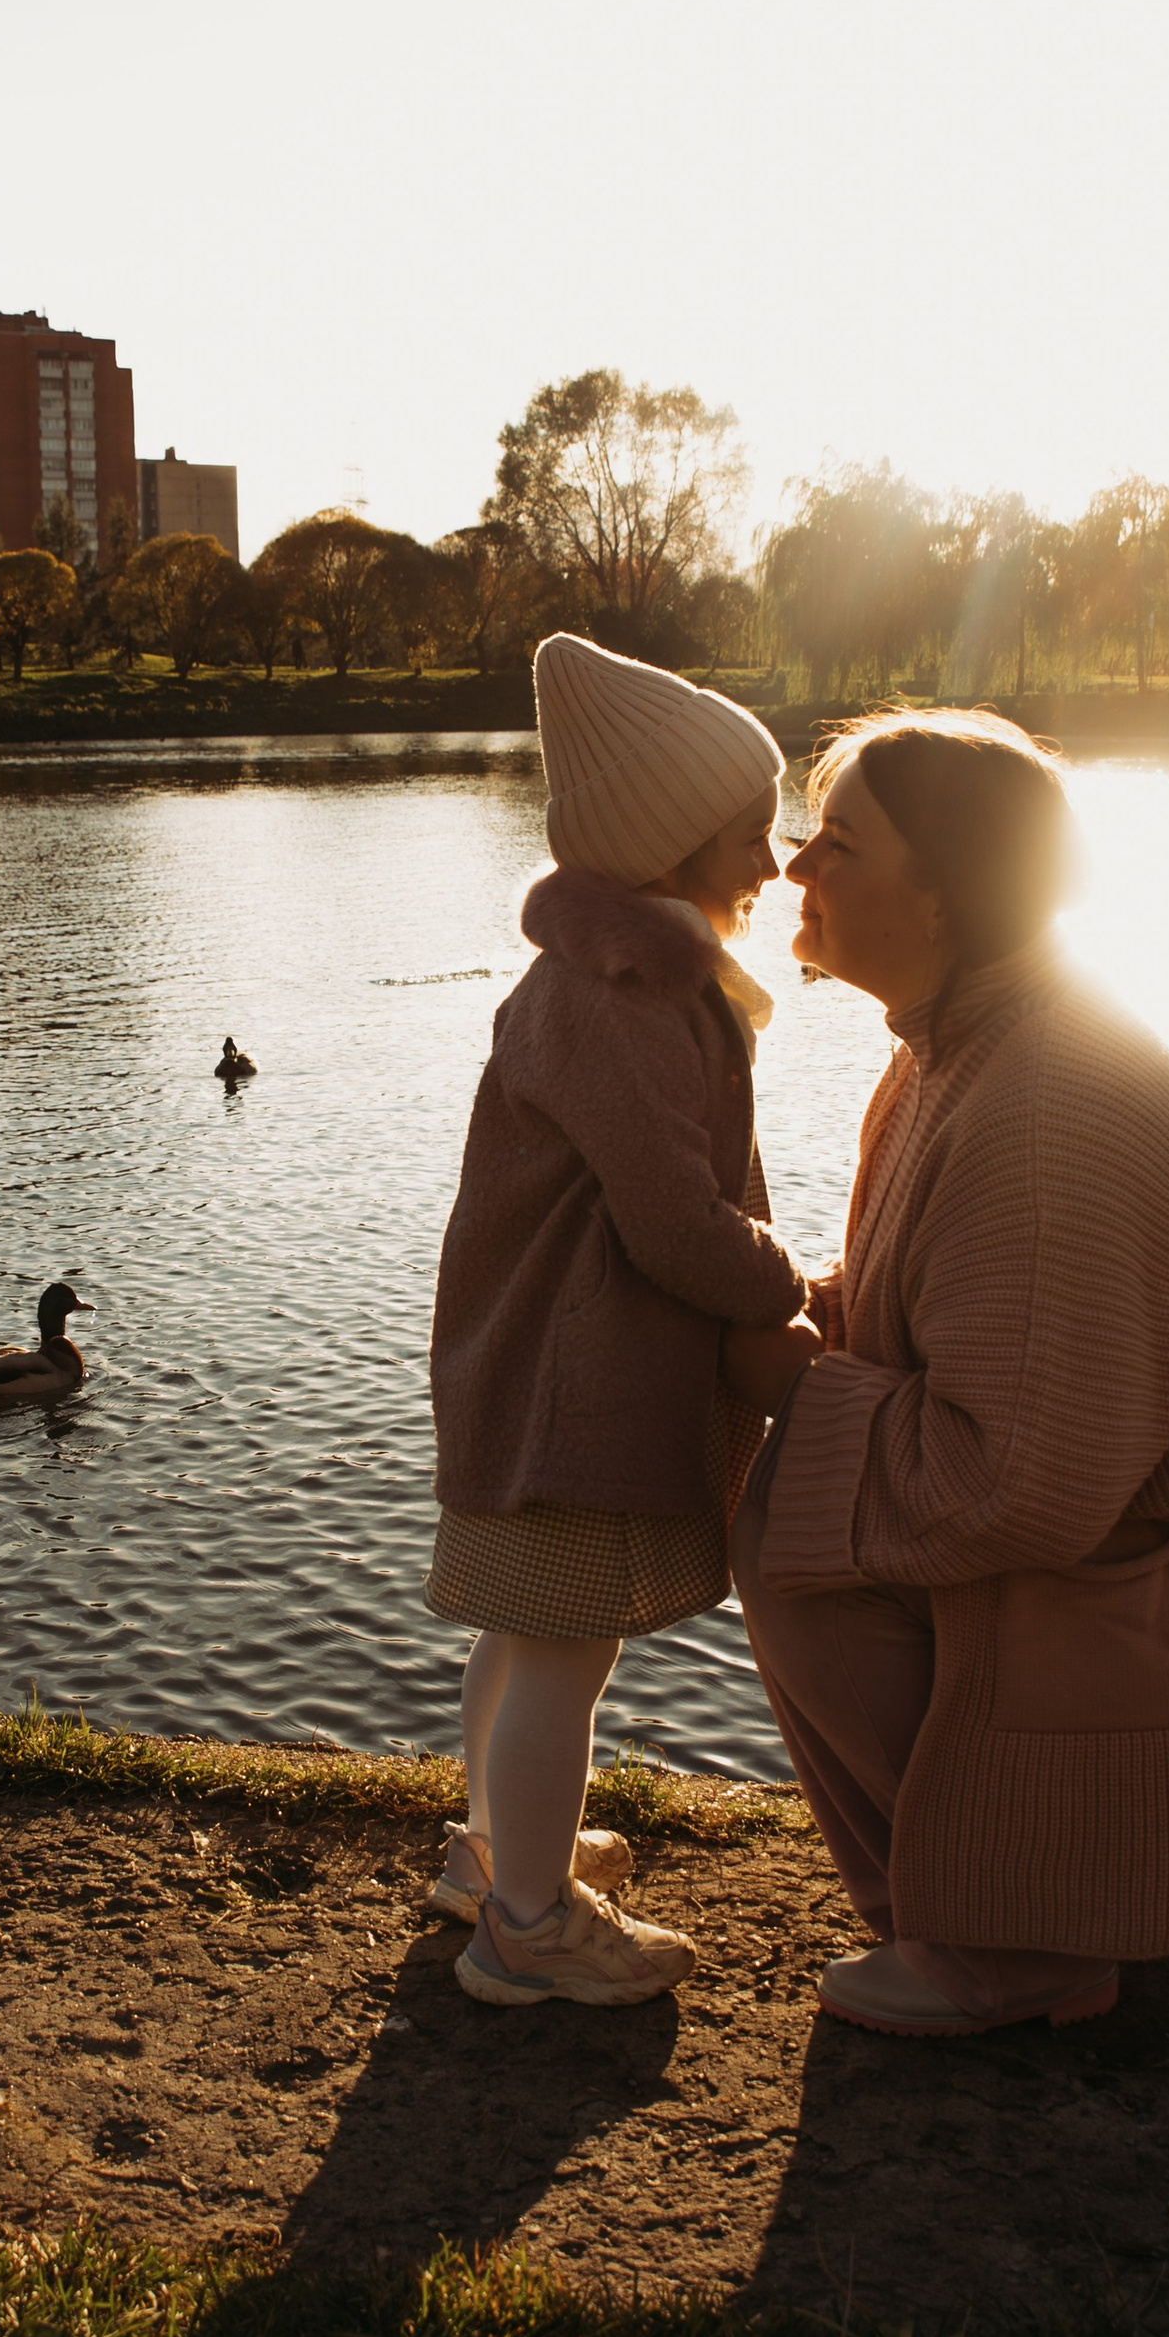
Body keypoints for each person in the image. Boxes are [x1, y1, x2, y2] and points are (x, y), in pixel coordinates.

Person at [722, 707, 1169, 2038]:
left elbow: (1016, 1481)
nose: (796, 867)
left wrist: (791, 1387)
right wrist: (785, 1307)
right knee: (803, 1509)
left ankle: (1020, 1947)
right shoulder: (962, 1043)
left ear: (946, 891)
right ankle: (986, 1907)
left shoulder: (1044, 1095)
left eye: (840, 844)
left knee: (801, 1539)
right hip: (1162, 1518)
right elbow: (940, 1320)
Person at [427, 633, 810, 2008]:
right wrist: (790, 1289)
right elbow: (671, 1220)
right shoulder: (628, 996)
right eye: (748, 834)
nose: (773, 862)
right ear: (668, 844)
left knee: (524, 1629)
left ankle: (493, 1852)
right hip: (573, 1381)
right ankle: (528, 1927)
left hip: (529, 1364)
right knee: (565, 1655)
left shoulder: (603, 978)